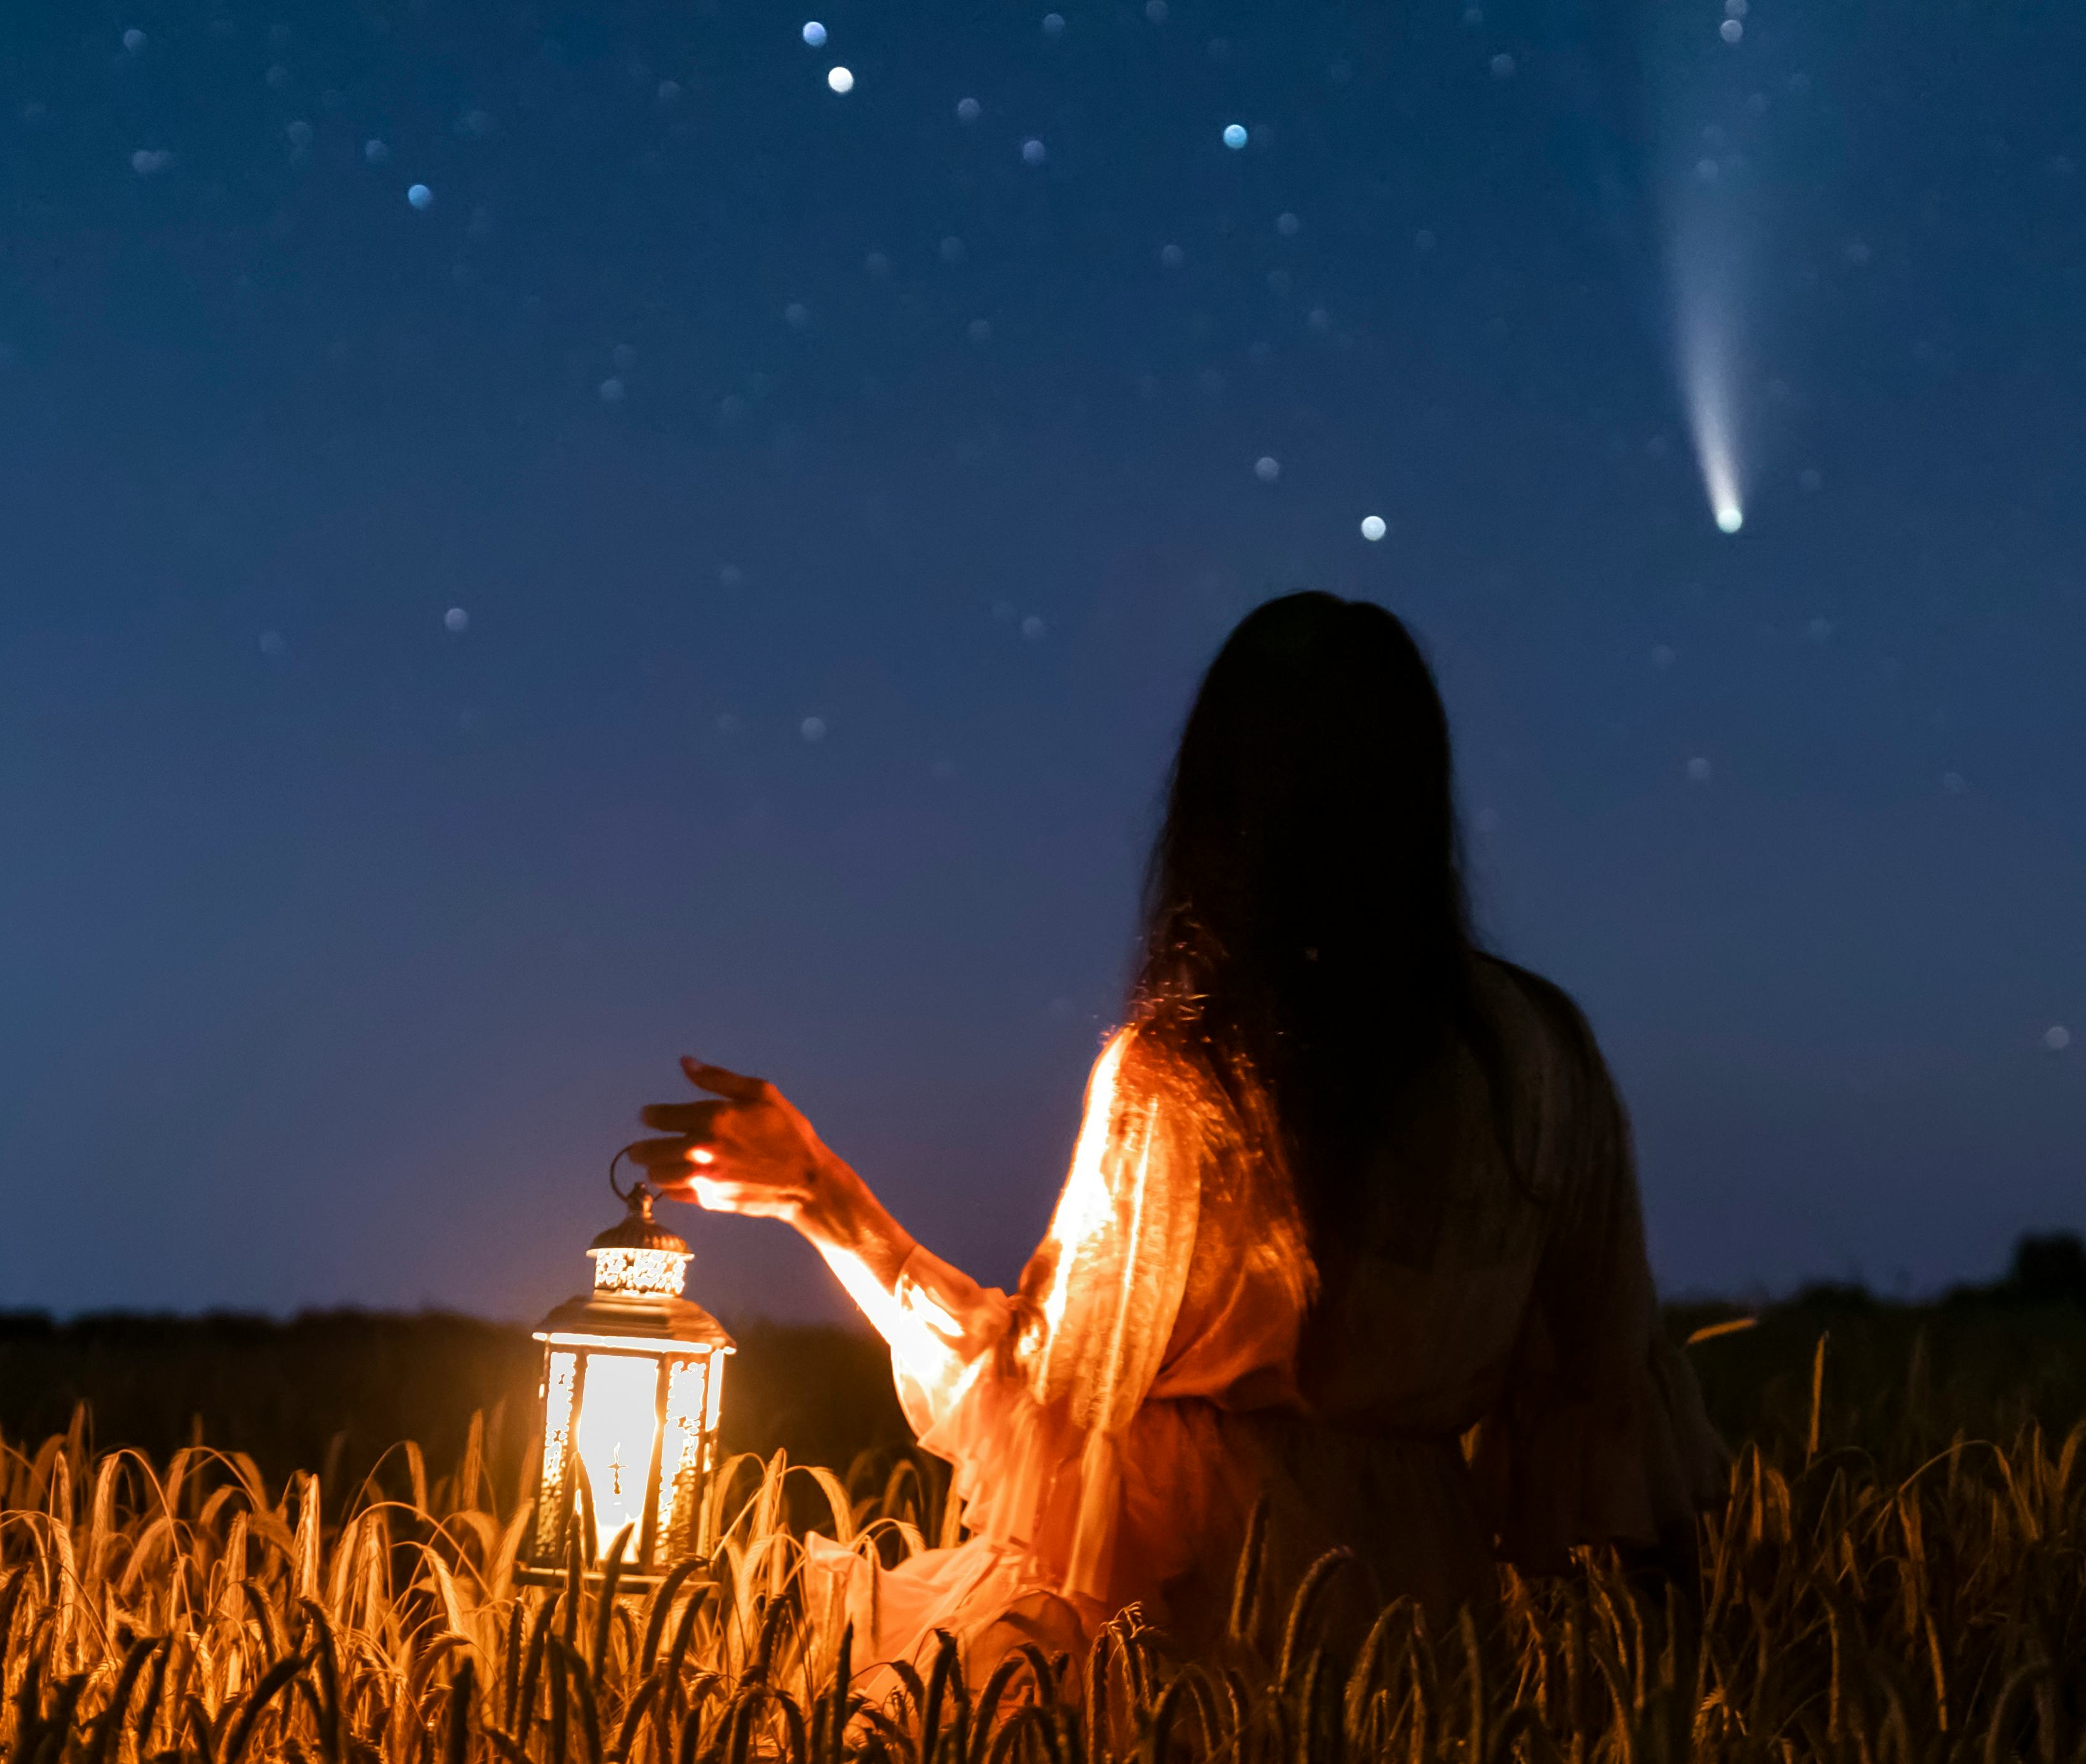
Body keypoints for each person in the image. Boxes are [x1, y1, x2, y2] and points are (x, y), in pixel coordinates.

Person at [632, 593, 1728, 1683]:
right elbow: (1617, 1408)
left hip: (1182, 1643)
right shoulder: (1541, 1056)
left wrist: (824, 1200)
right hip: (1426, 1652)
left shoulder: (1189, 1075)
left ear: (1218, 802)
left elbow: (1051, 1404)